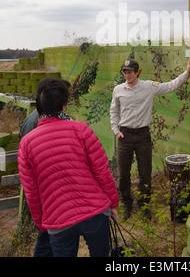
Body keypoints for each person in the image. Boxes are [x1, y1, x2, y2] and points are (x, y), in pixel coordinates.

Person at [18, 77, 119, 257]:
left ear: (39, 106)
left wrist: (41, 223)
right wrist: (113, 203)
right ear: (65, 104)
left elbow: (31, 191)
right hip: (94, 212)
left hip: (57, 221)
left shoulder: (26, 144)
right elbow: (102, 171)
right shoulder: (81, 130)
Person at [110, 58, 190, 220]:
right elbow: (113, 110)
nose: (127, 75)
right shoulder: (118, 89)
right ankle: (127, 204)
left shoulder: (149, 86)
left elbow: (171, 85)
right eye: (124, 72)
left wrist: (187, 73)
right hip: (124, 136)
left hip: (142, 136)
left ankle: (144, 205)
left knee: (145, 173)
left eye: (130, 72)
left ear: (137, 72)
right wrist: (115, 130)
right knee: (123, 174)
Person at [19, 79, 71, 258]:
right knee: (47, 236)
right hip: (45, 189)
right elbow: (28, 159)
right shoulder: (34, 122)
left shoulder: (52, 119)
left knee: (50, 234)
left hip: (52, 190)